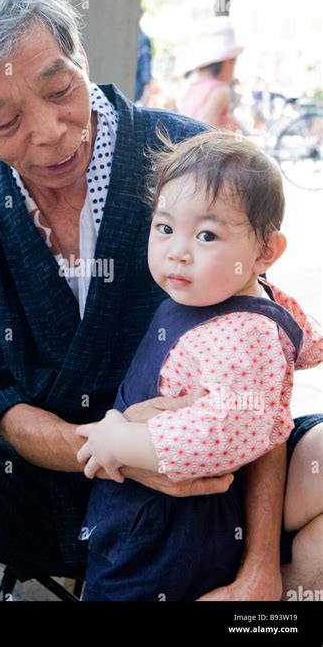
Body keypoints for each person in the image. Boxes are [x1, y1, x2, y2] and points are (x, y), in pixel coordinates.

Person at [0, 0, 321, 602]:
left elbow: (261, 379)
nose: (48, 131)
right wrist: (119, 450)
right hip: (42, 493)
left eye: (59, 89)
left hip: (211, 486)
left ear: (81, 59)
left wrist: (260, 565)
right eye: (5, 118)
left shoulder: (196, 166)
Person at [76, 130, 322, 600]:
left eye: (207, 235)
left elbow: (218, 435)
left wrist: (118, 440)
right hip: (149, 517)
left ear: (265, 252)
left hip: (170, 535)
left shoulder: (240, 333)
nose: (178, 251)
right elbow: (305, 339)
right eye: (165, 228)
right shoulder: (239, 296)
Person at [177, 16, 243, 130]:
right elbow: (207, 129)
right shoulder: (221, 91)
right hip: (208, 146)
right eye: (233, 62)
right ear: (226, 61)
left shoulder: (192, 86)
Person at [135, 9, 153, 103]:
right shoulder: (141, 37)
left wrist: (146, 87)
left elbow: (145, 66)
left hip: (135, 87)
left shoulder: (142, 39)